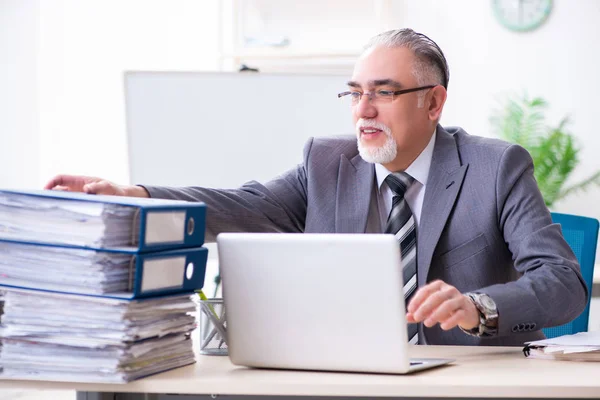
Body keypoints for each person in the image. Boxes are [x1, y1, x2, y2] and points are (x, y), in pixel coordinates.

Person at [45, 28, 587, 346]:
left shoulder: (495, 167)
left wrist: (477, 305)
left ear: (434, 102)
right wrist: (133, 195)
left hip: (465, 385)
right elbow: (244, 206)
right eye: (354, 93)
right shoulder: (328, 161)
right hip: (346, 378)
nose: (363, 111)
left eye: (383, 93)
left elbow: (564, 283)